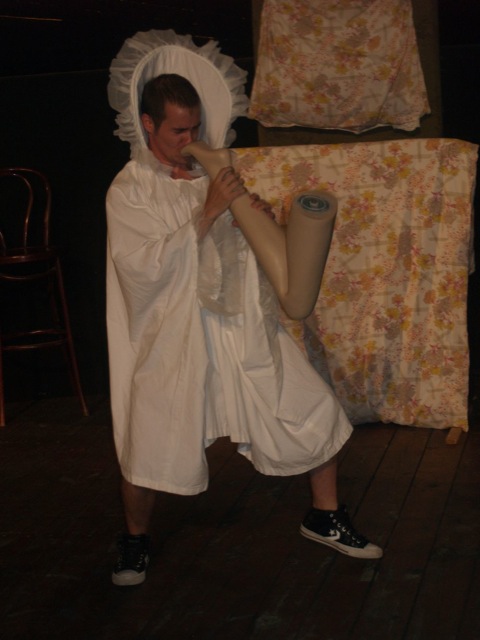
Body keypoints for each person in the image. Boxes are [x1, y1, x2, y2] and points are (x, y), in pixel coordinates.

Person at [106, 38, 382, 587]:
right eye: (177, 131)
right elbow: (139, 269)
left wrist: (251, 215)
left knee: (314, 409)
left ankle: (324, 516)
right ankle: (135, 540)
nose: (189, 140)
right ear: (147, 124)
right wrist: (207, 215)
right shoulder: (129, 190)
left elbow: (249, 254)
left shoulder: (212, 172)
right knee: (150, 440)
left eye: (195, 127)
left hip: (238, 322)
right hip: (176, 333)